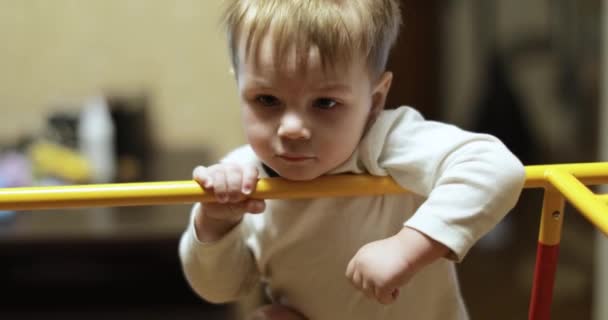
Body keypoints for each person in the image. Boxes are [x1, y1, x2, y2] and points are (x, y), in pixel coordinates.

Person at [179, 0, 526, 319]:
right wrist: (215, 222)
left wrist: (408, 247)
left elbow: (495, 166)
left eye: (325, 103)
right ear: (240, 87)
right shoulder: (244, 177)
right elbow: (219, 288)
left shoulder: (389, 141)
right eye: (267, 100)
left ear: (374, 101)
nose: (292, 129)